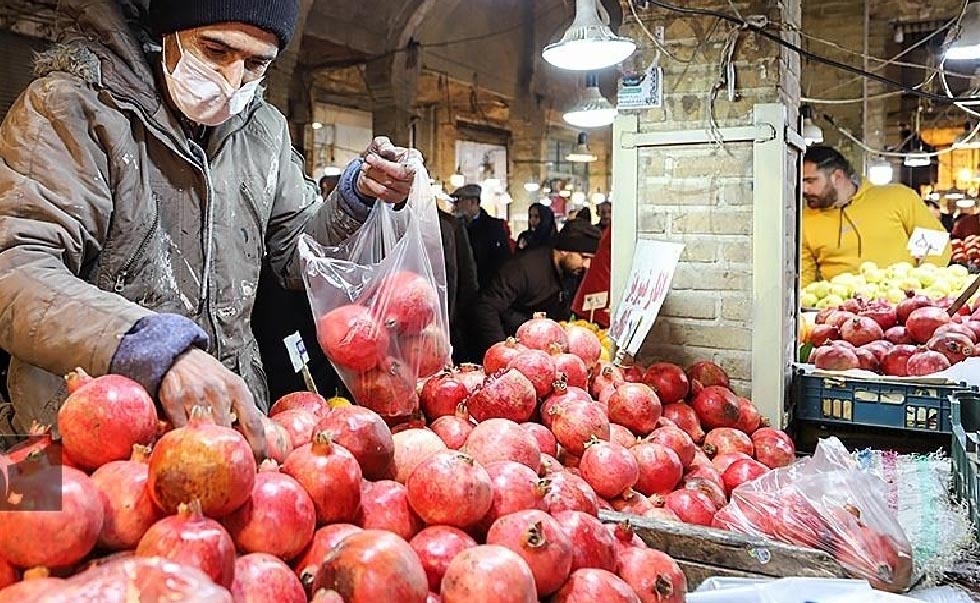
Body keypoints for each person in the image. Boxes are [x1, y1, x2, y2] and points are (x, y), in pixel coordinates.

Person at [0, 0, 420, 457]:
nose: (233, 80)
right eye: (216, 50)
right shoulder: (67, 109)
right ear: (168, 33)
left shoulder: (264, 131)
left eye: (256, 63)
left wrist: (355, 198)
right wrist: (149, 346)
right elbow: (15, 271)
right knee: (40, 525)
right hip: (66, 433)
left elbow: (294, 260)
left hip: (225, 431)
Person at [801, 146, 951, 287]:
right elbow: (804, 278)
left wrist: (920, 289)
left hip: (900, 305)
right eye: (801, 182)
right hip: (839, 310)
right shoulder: (804, 220)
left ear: (837, 177)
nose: (804, 189)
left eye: (810, 181)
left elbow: (935, 245)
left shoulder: (898, 197)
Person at [469, 220, 601, 357]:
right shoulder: (523, 268)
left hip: (544, 353)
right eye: (584, 257)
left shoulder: (572, 271)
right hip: (511, 347)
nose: (588, 265)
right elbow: (486, 308)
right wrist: (504, 353)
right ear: (564, 250)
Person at [451, 184, 512, 289]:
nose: (455, 206)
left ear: (473, 202)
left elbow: (502, 263)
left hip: (486, 291)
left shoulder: (494, 228)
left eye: (459, 200)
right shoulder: (455, 227)